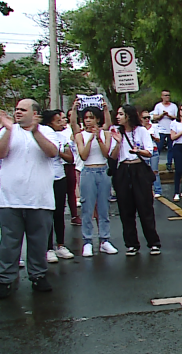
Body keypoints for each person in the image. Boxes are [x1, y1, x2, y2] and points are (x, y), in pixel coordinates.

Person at [0, 99, 60, 297]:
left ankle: (38, 275)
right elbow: (1, 153)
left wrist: (35, 132)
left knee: (38, 241)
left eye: (23, 110)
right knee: (9, 242)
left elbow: (52, 152)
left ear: (35, 114)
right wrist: (9, 129)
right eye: (16, 109)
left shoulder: (47, 131)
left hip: (39, 198)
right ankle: (6, 279)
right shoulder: (7, 131)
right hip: (9, 199)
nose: (17, 112)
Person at [109, 105, 161, 256]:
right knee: (126, 209)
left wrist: (138, 151)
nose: (118, 117)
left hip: (139, 169)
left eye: (121, 114)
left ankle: (153, 242)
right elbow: (113, 156)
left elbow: (149, 152)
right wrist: (118, 142)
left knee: (145, 207)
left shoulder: (141, 131)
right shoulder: (117, 132)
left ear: (129, 116)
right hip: (123, 169)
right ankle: (131, 244)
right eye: (117, 114)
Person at [75, 104, 118, 257]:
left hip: (102, 170)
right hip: (88, 171)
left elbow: (106, 154)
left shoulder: (106, 134)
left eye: (91, 118)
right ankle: (87, 241)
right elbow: (83, 155)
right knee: (87, 208)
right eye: (86, 118)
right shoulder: (80, 135)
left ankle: (104, 240)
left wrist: (98, 137)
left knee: (103, 207)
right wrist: (90, 139)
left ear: (98, 119)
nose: (88, 121)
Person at [41, 110, 76, 263]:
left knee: (59, 212)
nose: (63, 122)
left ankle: (60, 245)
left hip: (59, 177)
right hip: (45, 179)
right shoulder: (41, 136)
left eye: (63, 119)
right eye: (58, 120)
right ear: (49, 123)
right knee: (46, 213)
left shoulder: (62, 138)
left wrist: (59, 151)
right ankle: (48, 248)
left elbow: (70, 158)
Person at [152, 90, 178, 171]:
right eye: (165, 95)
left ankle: (169, 164)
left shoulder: (173, 106)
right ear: (162, 96)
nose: (167, 97)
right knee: (159, 147)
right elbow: (154, 117)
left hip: (171, 130)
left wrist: (169, 115)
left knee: (171, 148)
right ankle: (155, 163)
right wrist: (162, 115)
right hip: (161, 130)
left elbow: (177, 117)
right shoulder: (158, 106)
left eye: (168, 95)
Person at [142, 110, 163, 198]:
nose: (147, 119)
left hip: (153, 150)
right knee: (143, 172)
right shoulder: (139, 128)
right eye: (145, 118)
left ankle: (158, 190)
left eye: (148, 117)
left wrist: (152, 137)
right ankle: (146, 189)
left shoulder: (154, 127)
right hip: (143, 151)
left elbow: (158, 140)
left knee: (154, 171)